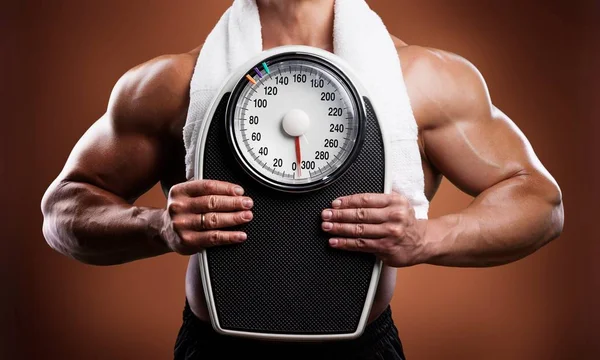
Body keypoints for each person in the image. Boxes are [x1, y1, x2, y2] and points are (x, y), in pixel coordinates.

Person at [40, 0, 564, 359]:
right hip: (215, 349)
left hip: (362, 349)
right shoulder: (170, 85)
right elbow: (62, 208)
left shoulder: (425, 80)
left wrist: (428, 236)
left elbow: (540, 202)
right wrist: (155, 226)